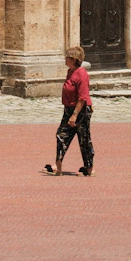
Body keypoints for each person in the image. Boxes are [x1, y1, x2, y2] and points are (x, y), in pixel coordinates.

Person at [45, 45, 94, 177]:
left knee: (84, 139)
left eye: (67, 57)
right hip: (69, 109)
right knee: (61, 135)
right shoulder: (70, 72)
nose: (65, 59)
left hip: (81, 110)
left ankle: (89, 168)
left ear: (73, 59)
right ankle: (58, 165)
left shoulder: (82, 74)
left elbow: (82, 97)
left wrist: (74, 115)